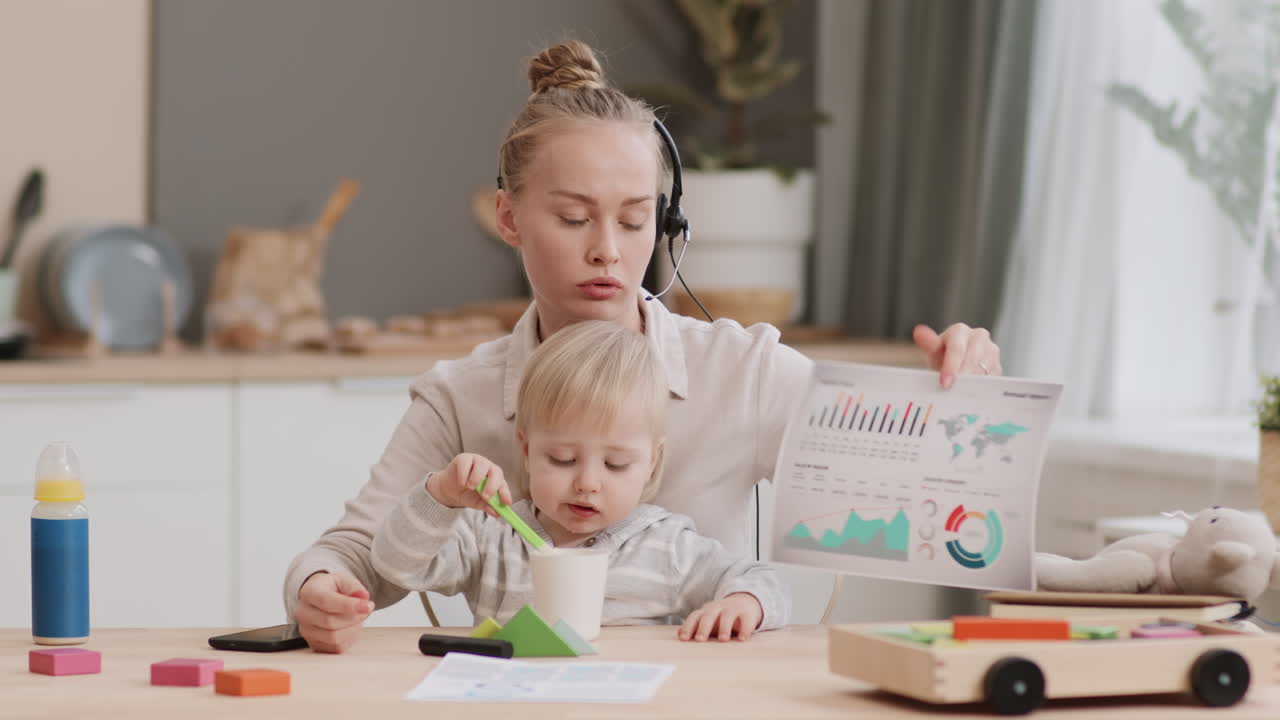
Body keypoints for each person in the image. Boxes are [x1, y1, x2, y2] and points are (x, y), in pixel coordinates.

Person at [286, 40, 1002, 653]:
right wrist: (317, 592)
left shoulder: (741, 371)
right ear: (508, 216)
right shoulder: (460, 396)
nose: (607, 251)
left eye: (634, 221)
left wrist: (969, 397)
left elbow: (928, 497)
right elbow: (357, 555)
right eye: (573, 218)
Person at [372, 320, 788, 641]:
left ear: (652, 461)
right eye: (563, 458)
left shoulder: (665, 547)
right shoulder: (494, 538)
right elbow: (396, 564)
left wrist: (742, 602)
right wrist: (441, 496)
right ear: (526, 450)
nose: (587, 483)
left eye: (617, 464)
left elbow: (763, 581)